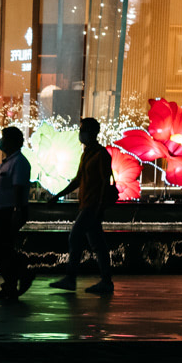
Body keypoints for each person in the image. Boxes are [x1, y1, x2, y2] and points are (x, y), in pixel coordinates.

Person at [48, 116, 114, 294]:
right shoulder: (87, 153)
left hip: (92, 206)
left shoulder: (101, 155)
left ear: (93, 132)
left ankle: (71, 278)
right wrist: (59, 195)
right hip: (87, 204)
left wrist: (100, 207)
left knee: (75, 237)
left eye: (83, 130)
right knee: (98, 244)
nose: (81, 134)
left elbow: (104, 182)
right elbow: (78, 179)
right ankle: (105, 281)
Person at [0, 126, 31, 300]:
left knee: (2, 248)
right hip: (1, 212)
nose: (1, 141)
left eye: (4, 138)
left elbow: (18, 188)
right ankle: (10, 284)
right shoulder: (8, 162)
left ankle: (20, 276)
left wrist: (17, 211)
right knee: (2, 248)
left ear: (12, 141)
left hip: (9, 212)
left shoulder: (19, 162)